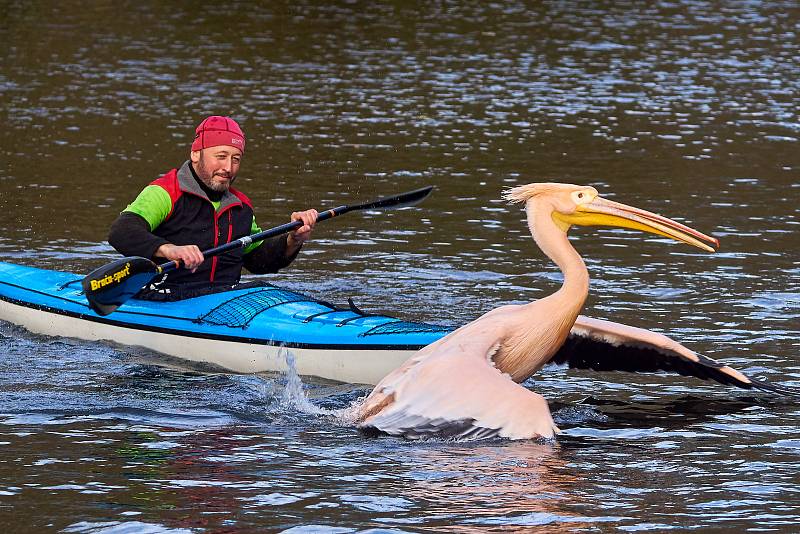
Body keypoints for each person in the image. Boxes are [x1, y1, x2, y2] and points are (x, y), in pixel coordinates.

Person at [108, 115, 318, 300]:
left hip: (222, 303)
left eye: (236, 159)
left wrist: (293, 239)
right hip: (164, 299)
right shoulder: (164, 193)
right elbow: (121, 232)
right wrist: (169, 249)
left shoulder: (241, 207)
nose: (228, 168)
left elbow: (259, 261)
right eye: (221, 156)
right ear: (196, 154)